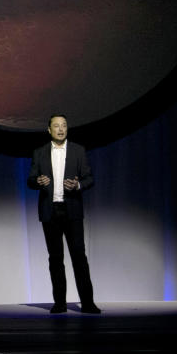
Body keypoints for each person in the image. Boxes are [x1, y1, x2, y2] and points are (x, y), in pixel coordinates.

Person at [27, 114, 101, 314]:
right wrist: (38, 182)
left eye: (64, 126)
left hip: (72, 210)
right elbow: (30, 180)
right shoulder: (39, 152)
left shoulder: (78, 150)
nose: (61, 129)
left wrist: (77, 185)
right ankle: (59, 303)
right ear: (49, 130)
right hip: (50, 211)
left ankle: (87, 302)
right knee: (55, 258)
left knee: (79, 256)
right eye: (56, 126)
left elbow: (89, 179)